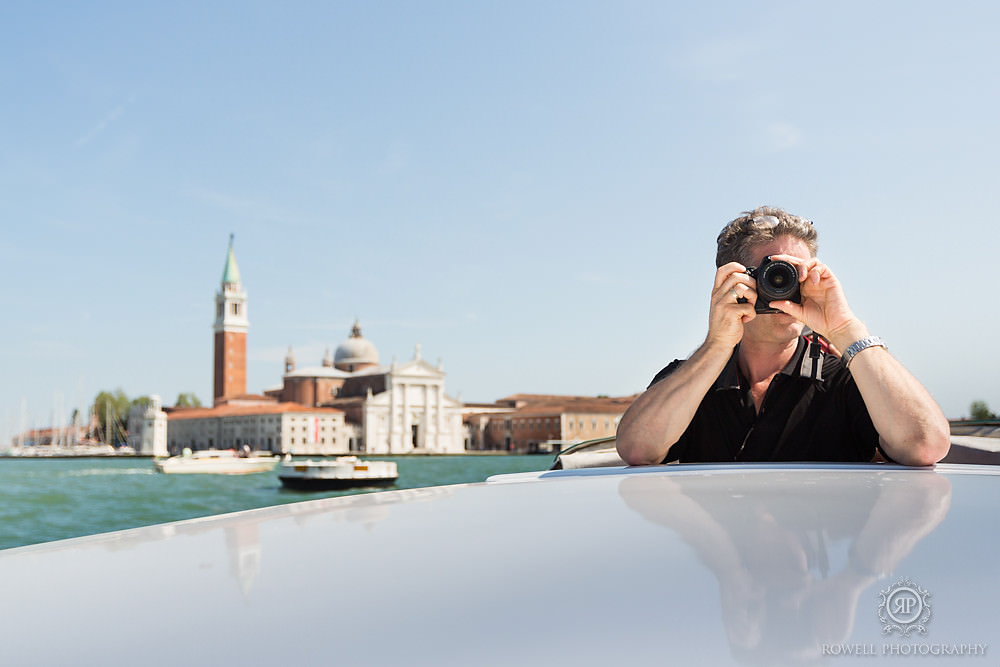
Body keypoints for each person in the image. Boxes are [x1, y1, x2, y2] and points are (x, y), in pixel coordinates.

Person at [616, 206, 950, 466]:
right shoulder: (691, 379)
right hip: (723, 556)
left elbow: (926, 446)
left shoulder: (848, 381)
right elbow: (636, 449)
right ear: (733, 282)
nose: (788, 288)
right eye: (773, 274)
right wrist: (717, 344)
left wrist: (846, 329)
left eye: (798, 275)